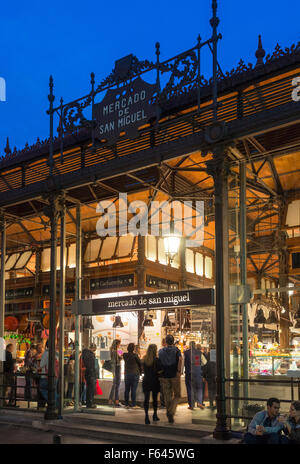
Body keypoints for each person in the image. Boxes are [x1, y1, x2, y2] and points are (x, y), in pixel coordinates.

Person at [158, 334, 182, 424]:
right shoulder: (176, 350)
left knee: (167, 395)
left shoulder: (160, 351)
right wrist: (179, 371)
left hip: (164, 375)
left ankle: (169, 412)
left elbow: (159, 361)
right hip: (174, 375)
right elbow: (180, 359)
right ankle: (171, 412)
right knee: (177, 395)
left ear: (166, 342)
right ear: (173, 341)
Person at [184, 342, 207, 410]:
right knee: (199, 388)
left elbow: (183, 363)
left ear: (189, 346)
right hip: (197, 372)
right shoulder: (199, 352)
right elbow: (205, 362)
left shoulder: (185, 353)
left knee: (190, 389)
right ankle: (199, 402)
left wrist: (181, 371)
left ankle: (191, 405)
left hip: (189, 373)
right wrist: (199, 366)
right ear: (195, 346)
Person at [142, 344, 161, 424]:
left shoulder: (144, 359)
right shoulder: (157, 360)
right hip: (155, 380)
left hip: (146, 380)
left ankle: (146, 417)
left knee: (146, 399)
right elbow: (160, 371)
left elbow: (142, 370)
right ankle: (155, 415)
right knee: (155, 399)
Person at [123, 343, 142, 408]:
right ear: (133, 348)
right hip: (134, 374)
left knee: (127, 389)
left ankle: (126, 404)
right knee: (133, 389)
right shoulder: (135, 355)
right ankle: (133, 404)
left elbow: (120, 352)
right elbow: (140, 363)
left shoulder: (124, 355)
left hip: (127, 374)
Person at [81, 343, 97, 409]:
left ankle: (88, 403)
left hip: (87, 373)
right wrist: (93, 373)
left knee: (88, 389)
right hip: (91, 373)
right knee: (91, 389)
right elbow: (91, 365)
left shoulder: (84, 354)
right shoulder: (90, 355)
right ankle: (90, 403)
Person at [108, 339, 122, 407]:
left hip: (115, 368)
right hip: (117, 368)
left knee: (115, 385)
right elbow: (120, 358)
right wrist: (120, 356)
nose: (119, 345)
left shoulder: (111, 350)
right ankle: (116, 401)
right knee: (117, 385)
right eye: (119, 344)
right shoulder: (116, 351)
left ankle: (111, 400)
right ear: (117, 344)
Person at [159, 338, 166, 409]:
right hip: (170, 373)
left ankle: (163, 404)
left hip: (162, 373)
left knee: (162, 390)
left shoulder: (160, 351)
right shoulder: (174, 351)